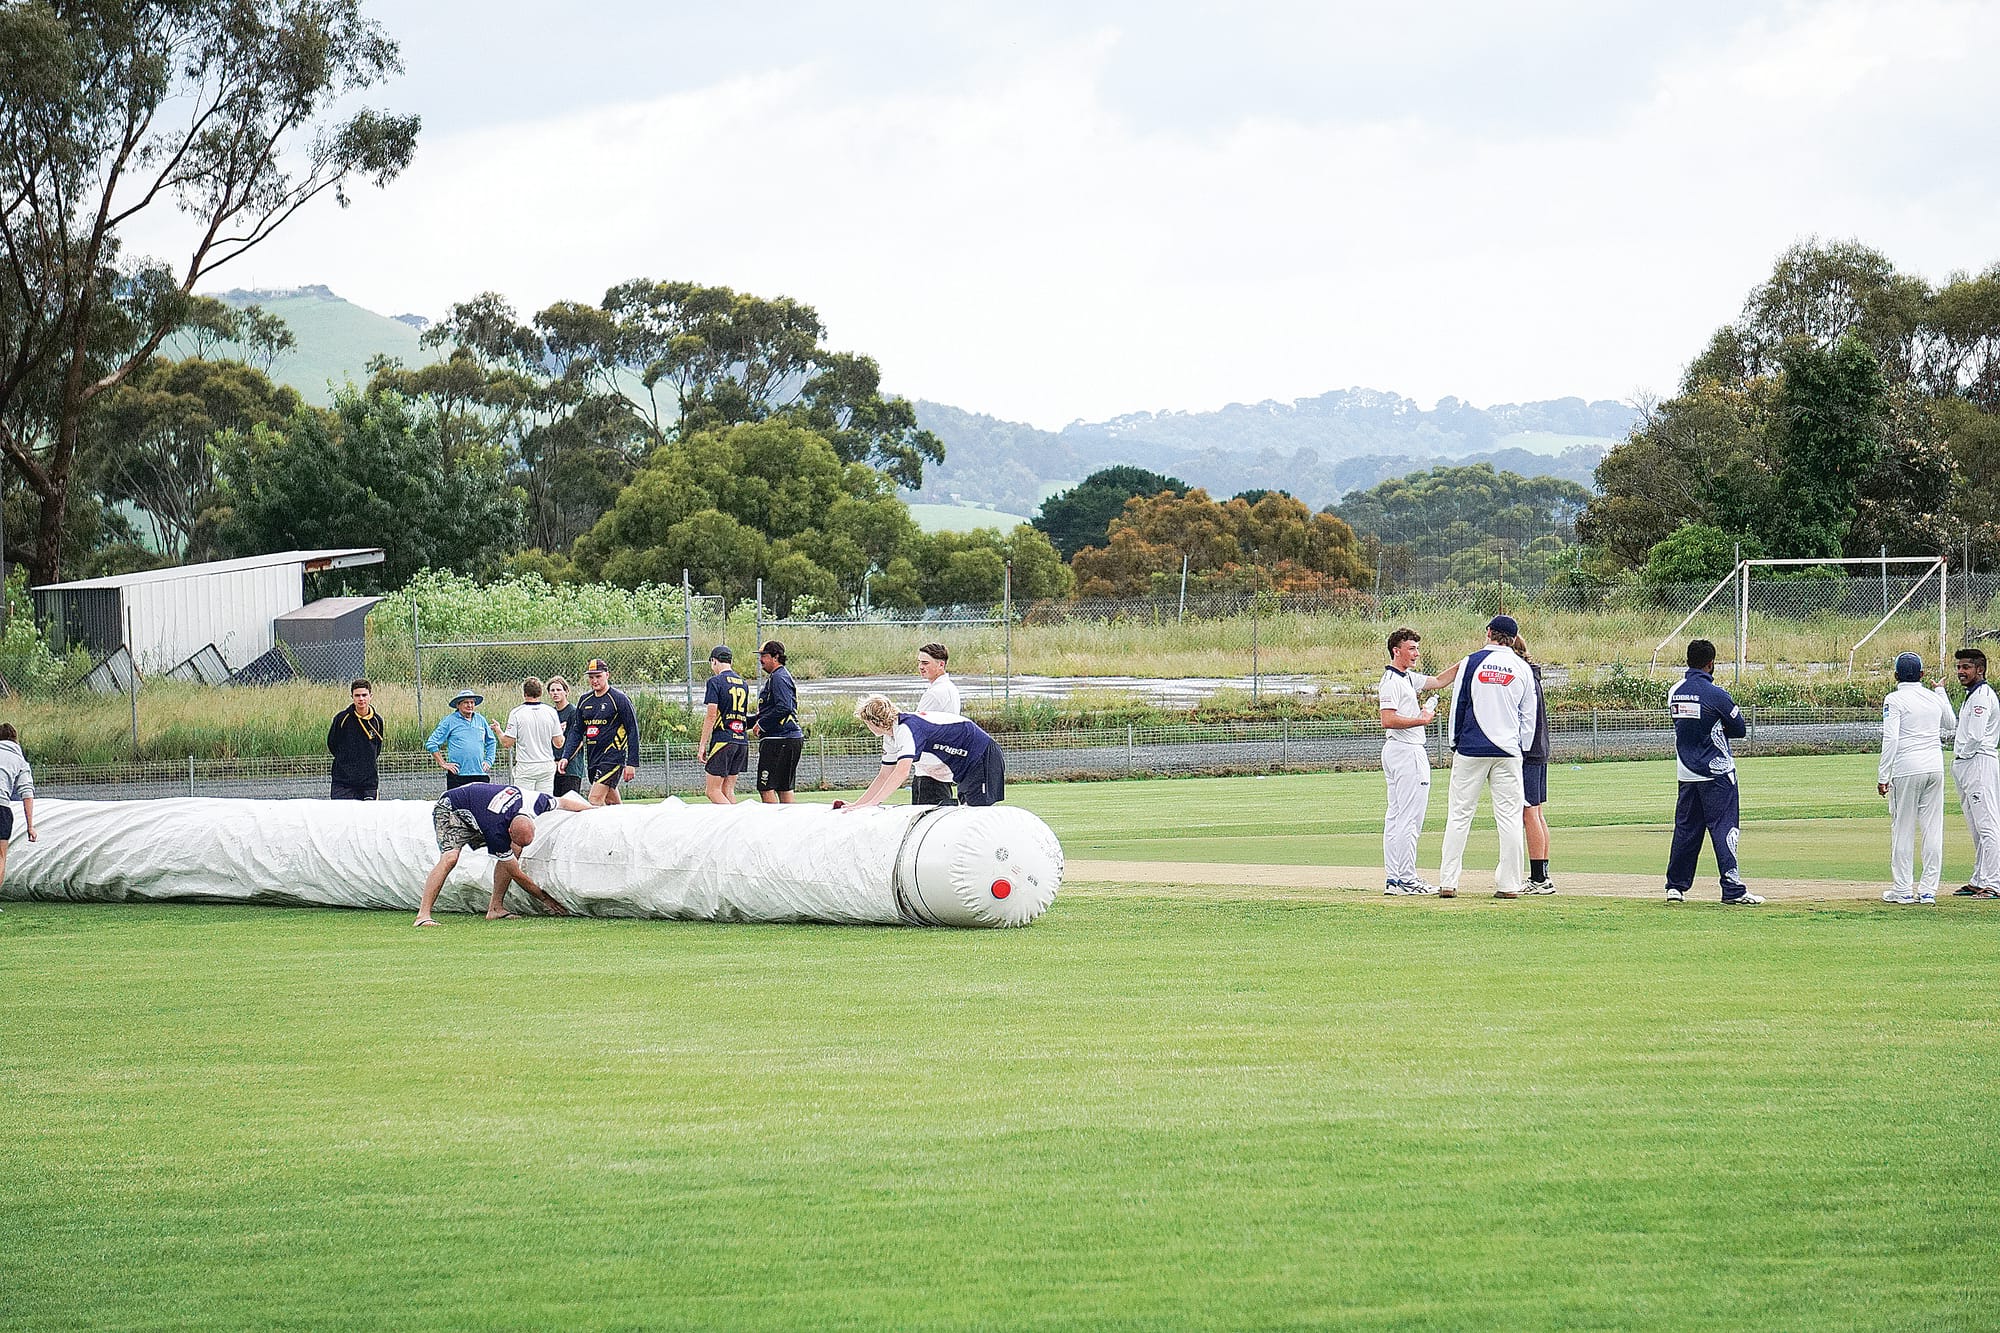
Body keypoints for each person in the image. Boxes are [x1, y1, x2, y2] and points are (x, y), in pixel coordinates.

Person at [1437, 615, 1538, 899]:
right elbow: (1529, 714)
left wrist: (1454, 742)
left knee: (1459, 815)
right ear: (1514, 638)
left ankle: (1448, 881)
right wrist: (1524, 748)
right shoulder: (1522, 667)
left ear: (1490, 633)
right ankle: (1508, 884)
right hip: (1508, 751)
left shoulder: (1470, 661)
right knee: (1508, 818)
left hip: (1471, 748)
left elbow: (1459, 704)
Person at [1665, 638, 1762, 905]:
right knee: (1723, 828)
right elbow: (1739, 728)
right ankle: (1732, 888)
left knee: (1686, 830)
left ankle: (1675, 887)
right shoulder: (1717, 694)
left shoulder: (1675, 691)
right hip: (1718, 775)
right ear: (1711, 664)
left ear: (1688, 661)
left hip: (1686, 773)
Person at [415, 780, 590, 927]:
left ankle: (495, 908)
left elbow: (564, 802)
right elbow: (515, 872)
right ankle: (423, 916)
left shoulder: (537, 803)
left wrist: (593, 810)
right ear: (509, 831)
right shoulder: (495, 829)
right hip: (452, 809)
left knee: (515, 850)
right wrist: (546, 899)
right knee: (450, 858)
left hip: (479, 809)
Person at [1376, 627, 1459, 896]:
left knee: (1398, 817)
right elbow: (1387, 719)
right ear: (1396, 651)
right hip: (1406, 751)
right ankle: (1406, 879)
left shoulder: (1408, 678)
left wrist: (1469, 661)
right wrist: (1421, 719)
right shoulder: (1391, 681)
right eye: (1411, 649)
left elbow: (1438, 681)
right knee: (1408, 818)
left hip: (1402, 751)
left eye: (1417, 649)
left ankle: (1395, 879)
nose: (1416, 654)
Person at [1878, 652, 1955, 905]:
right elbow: (1950, 724)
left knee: (1903, 828)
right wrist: (1941, 692)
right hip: (1935, 766)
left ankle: (1902, 889)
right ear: (1922, 675)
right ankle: (1928, 890)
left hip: (1907, 768)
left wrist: (1883, 775)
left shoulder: (1894, 699)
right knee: (1933, 829)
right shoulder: (1933, 698)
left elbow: (1891, 739)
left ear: (1896, 675)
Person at [844, 693, 1005, 809]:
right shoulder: (890, 736)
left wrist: (873, 803)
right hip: (965, 764)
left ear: (875, 722)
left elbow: (901, 772)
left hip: (982, 754)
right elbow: (885, 774)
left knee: (976, 812)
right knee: (966, 811)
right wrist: (859, 805)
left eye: (867, 722)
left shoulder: (906, 729)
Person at [1948, 647, 2000, 898]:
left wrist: (1964, 756)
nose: (1960, 671)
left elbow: (1977, 736)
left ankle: (1994, 882)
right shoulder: (1973, 694)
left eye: (1966, 667)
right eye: (1958, 667)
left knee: (1988, 824)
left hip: (1979, 762)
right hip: (1969, 763)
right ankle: (1979, 878)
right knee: (1976, 826)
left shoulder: (1981, 696)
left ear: (1980, 669)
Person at [1513, 635, 1556, 895]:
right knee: (1536, 812)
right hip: (1538, 749)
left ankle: (1539, 877)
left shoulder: (1523, 676)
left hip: (1529, 751)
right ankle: (1542, 874)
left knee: (1529, 812)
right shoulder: (1533, 674)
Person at [573, 658, 639, 805]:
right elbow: (577, 731)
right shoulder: (585, 700)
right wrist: (566, 756)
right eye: (591, 677)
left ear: (607, 675)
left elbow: (632, 730)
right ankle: (628, 825)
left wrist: (632, 763)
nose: (594, 680)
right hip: (593, 757)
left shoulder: (619, 699)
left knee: (594, 799)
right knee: (611, 801)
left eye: (598, 676)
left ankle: (597, 829)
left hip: (613, 756)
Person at [752, 640, 805, 804]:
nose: (761, 660)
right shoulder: (780, 676)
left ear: (776, 657)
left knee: (765, 787)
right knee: (784, 787)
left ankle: (773, 825)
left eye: (764, 656)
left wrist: (762, 724)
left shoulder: (779, 677)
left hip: (779, 739)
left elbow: (784, 707)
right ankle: (789, 825)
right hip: (789, 738)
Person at [697, 646, 750, 805]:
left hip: (723, 740)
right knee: (728, 790)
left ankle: (734, 825)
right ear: (730, 661)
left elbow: (711, 715)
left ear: (713, 661)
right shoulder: (743, 683)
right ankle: (738, 825)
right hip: (741, 739)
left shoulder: (715, 682)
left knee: (712, 791)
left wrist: (702, 745)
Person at [913, 643, 961, 805]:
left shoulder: (936, 693)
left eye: (925, 663)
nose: (920, 667)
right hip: (935, 767)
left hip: (931, 771)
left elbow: (917, 729)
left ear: (941, 664)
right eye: (919, 662)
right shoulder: (948, 688)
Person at [500, 677, 565, 796]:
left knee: (524, 803)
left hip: (526, 766)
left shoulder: (517, 713)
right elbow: (559, 743)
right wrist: (561, 731)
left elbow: (507, 743)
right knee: (545, 803)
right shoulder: (550, 712)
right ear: (540, 693)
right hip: (546, 765)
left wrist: (498, 731)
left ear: (524, 693)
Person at [426, 689, 497, 791]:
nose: (470, 705)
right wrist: (443, 763)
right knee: (458, 806)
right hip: (458, 776)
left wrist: (489, 760)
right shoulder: (449, 721)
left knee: (480, 805)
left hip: (480, 774)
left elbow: (491, 741)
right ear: (458, 705)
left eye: (472, 702)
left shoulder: (481, 720)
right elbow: (432, 743)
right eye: (466, 702)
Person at [0, 722, 39, 904]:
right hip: (2, 808)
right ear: (15, 739)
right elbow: (27, 793)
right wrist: (30, 826)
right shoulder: (19, 760)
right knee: (0, 857)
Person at [326, 678, 384, 800]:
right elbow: (332, 743)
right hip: (343, 782)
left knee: (369, 818)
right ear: (352, 696)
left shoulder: (377, 721)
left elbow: (377, 748)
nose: (361, 699)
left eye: (364, 695)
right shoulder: (342, 719)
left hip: (368, 783)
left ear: (370, 696)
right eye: (357, 695)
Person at [547, 675, 584, 797]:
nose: (555, 693)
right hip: (553, 766)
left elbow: (578, 741)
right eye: (552, 690)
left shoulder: (573, 712)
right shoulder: (550, 714)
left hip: (570, 768)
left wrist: (565, 759)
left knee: (570, 804)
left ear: (566, 691)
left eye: (559, 690)